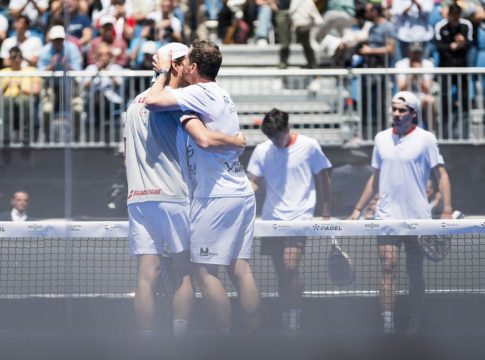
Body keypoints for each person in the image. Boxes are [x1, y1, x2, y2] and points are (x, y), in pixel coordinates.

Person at [124, 42, 246, 338]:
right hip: (173, 197)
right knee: (187, 272)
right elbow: (204, 139)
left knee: (145, 276)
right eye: (186, 61)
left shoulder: (133, 104)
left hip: (138, 199)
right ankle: (180, 342)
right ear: (177, 65)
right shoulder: (176, 103)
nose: (190, 67)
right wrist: (237, 140)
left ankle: (146, 344)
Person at [349, 91, 454, 336]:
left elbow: (442, 175)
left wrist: (447, 209)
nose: (396, 114)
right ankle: (387, 325)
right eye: (394, 109)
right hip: (386, 217)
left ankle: (416, 324)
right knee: (388, 266)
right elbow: (374, 178)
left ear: (413, 114)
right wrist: (357, 209)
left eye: (402, 110)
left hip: (418, 218)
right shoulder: (381, 139)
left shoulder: (426, 139)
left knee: (415, 271)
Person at [247, 108, 332, 335]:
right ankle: (287, 319)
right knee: (281, 273)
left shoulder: (309, 146)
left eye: (276, 135)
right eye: (269, 136)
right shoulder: (262, 151)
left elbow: (323, 176)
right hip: (271, 221)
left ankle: (295, 322)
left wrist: (325, 210)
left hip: (299, 218)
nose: (273, 140)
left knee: (289, 266)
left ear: (286, 128)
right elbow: (253, 183)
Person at [0, 46, 42, 145]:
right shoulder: (2, 73)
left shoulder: (31, 70)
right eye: (14, 57)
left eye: (19, 57)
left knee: (25, 101)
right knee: (6, 101)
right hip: (7, 99)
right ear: (9, 58)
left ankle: (26, 136)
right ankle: (6, 136)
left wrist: (21, 87)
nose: (17, 59)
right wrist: (5, 86)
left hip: (25, 98)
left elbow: (37, 90)